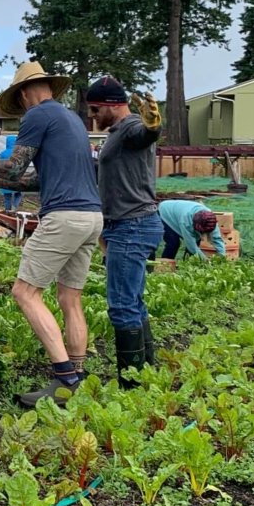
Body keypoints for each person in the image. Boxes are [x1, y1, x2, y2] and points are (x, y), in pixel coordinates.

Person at [0, 61, 102, 406]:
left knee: (25, 292)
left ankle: (64, 378)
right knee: (70, 298)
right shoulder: (72, 121)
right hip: (92, 216)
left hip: (64, 217)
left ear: (23, 93)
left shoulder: (37, 116)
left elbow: (14, 165)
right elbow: (35, 180)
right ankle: (78, 376)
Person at [87, 76, 163, 385]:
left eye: (95, 109)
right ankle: (145, 373)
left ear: (110, 105)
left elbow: (144, 134)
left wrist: (153, 125)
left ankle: (130, 385)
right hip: (131, 225)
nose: (93, 116)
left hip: (132, 226)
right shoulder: (116, 133)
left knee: (121, 306)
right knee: (133, 301)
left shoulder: (131, 127)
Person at [158, 200, 225, 260]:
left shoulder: (211, 220)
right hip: (166, 213)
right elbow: (192, 246)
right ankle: (164, 266)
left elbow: (217, 239)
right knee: (173, 243)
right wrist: (205, 260)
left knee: (197, 240)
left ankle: (187, 266)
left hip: (179, 212)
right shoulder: (186, 222)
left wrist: (222, 257)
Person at [0, 134, 21, 214]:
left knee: (7, 196)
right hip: (15, 177)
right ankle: (14, 208)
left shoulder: (3, 154)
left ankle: (7, 211)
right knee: (18, 193)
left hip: (5, 178)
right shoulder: (18, 153)